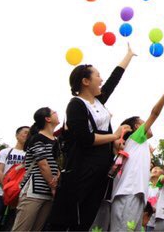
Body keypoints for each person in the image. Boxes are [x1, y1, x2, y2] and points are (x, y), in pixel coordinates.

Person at [46, 45, 135, 231]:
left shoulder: (99, 102)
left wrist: (128, 56)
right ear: (86, 81)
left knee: (86, 219)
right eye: (97, 76)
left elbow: (114, 79)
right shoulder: (76, 105)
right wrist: (114, 135)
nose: (101, 80)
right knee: (66, 219)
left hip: (100, 168)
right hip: (81, 169)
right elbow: (84, 139)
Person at [108, 81, 164, 232]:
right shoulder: (136, 138)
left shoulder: (140, 145)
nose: (148, 124)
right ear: (136, 127)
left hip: (136, 194)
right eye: (143, 123)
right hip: (128, 193)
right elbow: (155, 113)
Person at [12, 108, 60, 231]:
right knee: (22, 229)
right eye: (54, 113)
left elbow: (56, 163)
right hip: (33, 191)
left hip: (48, 193)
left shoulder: (56, 141)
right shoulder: (38, 138)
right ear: (47, 119)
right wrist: (53, 185)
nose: (57, 114)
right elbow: (42, 164)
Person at [144, 166, 164, 231]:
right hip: (144, 221)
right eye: (154, 168)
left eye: (158, 168)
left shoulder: (162, 188)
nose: (155, 169)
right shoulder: (147, 186)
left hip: (156, 222)